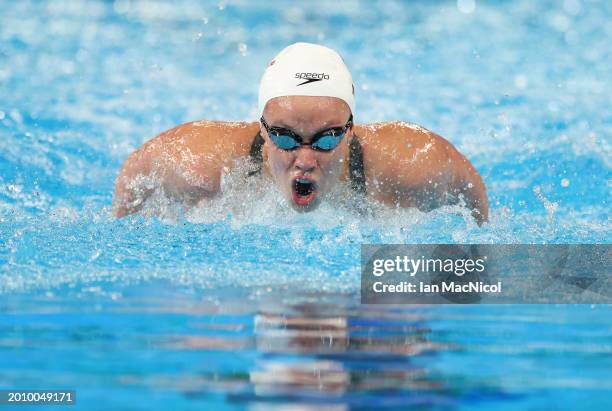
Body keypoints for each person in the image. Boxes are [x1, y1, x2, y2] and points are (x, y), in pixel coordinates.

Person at [112, 42, 488, 223]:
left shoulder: (411, 163)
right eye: (285, 138)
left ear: (351, 131)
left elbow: (472, 194)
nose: (305, 161)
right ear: (262, 129)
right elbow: (136, 172)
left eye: (327, 139)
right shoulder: (200, 162)